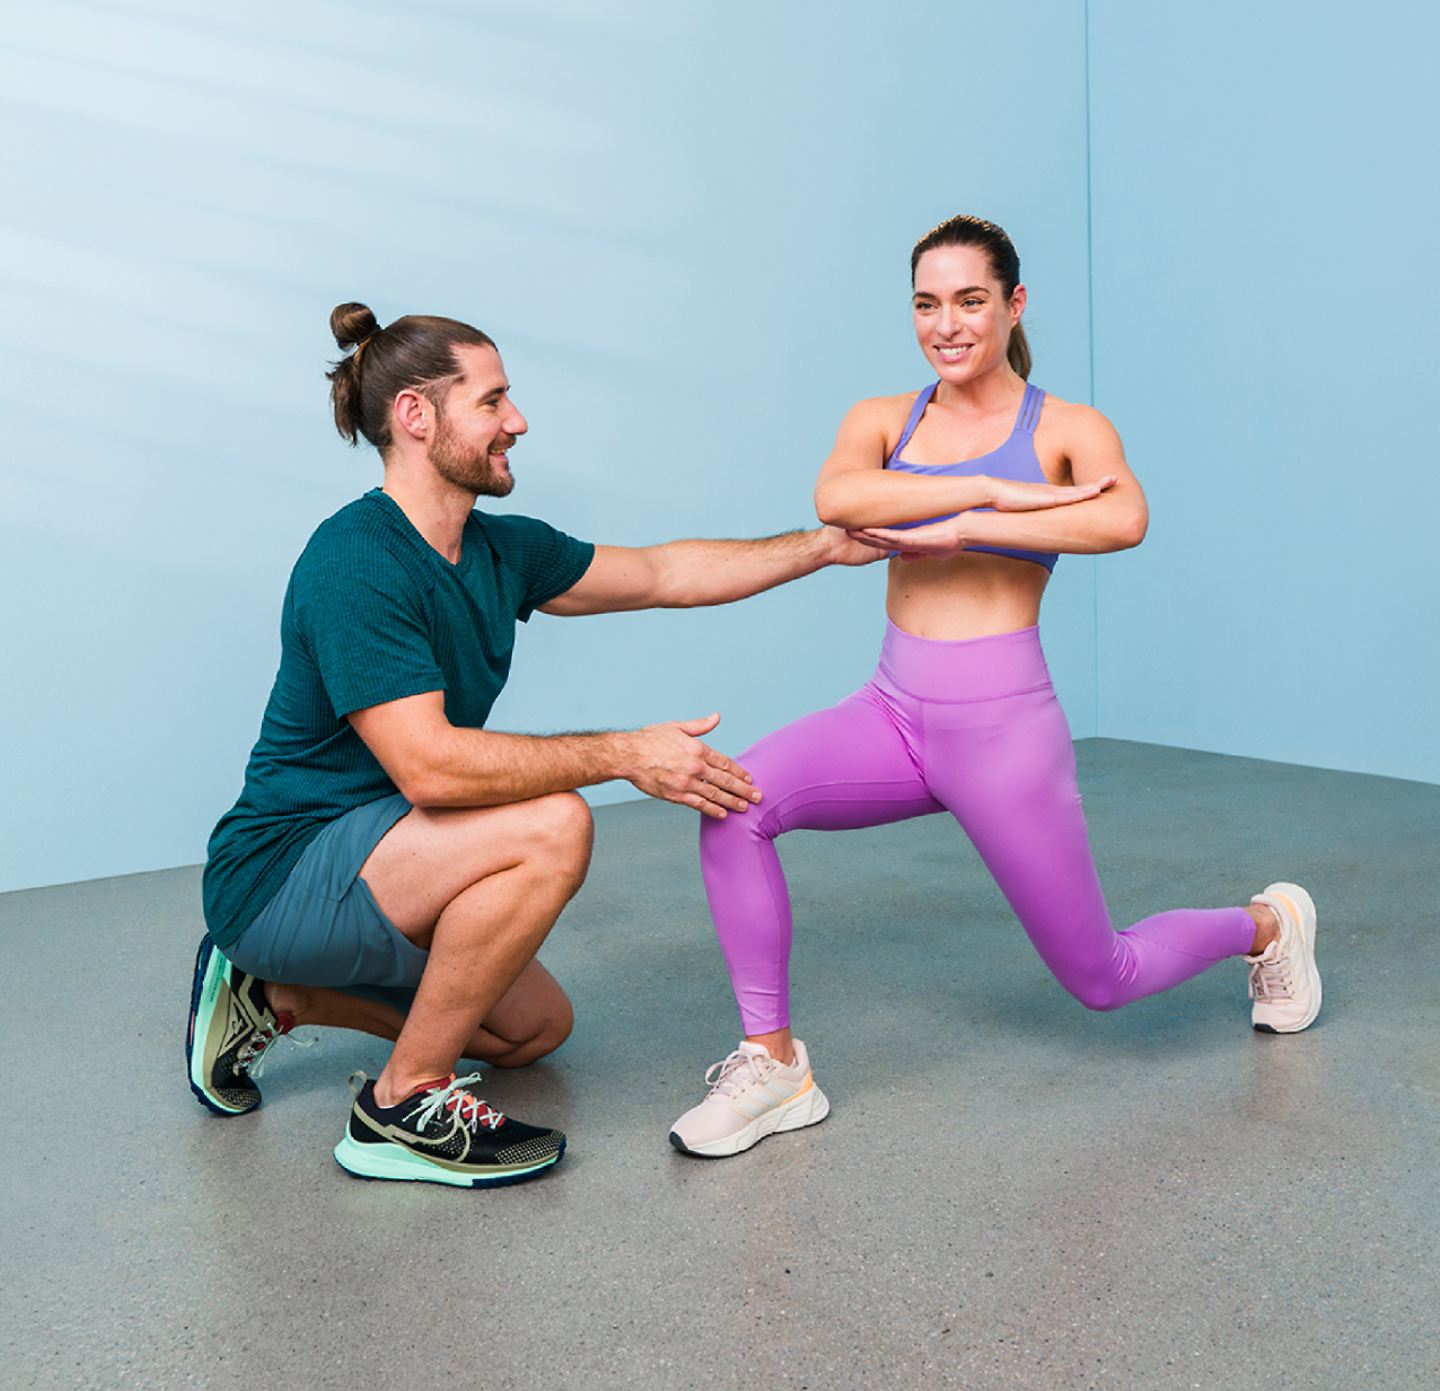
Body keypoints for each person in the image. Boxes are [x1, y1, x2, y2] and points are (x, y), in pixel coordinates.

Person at [669, 214, 1321, 1159]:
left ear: (1014, 306)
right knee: (732, 805)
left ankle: (1268, 924)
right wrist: (1004, 499)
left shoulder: (1066, 428)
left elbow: (1125, 518)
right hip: (890, 716)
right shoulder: (884, 418)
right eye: (927, 304)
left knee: (1104, 978)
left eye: (970, 300)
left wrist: (967, 528)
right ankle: (774, 1066)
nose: (947, 324)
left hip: (1005, 735)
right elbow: (840, 500)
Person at [188, 303, 879, 1187]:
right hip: (282, 871)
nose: (517, 421)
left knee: (531, 1033)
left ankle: (276, 997)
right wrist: (626, 753)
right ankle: (399, 1107)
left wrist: (822, 546)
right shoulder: (354, 561)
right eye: (493, 400)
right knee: (552, 824)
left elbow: (666, 572)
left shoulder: (500, 550)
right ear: (416, 416)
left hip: (389, 858)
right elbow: (430, 767)